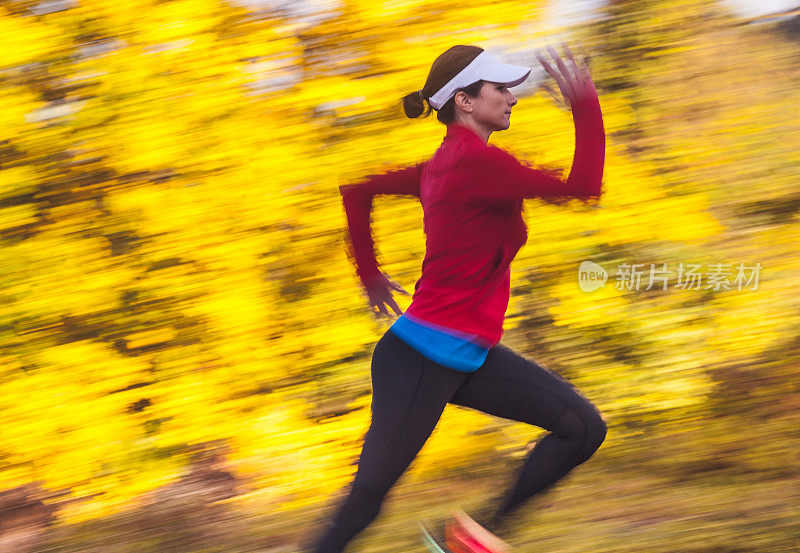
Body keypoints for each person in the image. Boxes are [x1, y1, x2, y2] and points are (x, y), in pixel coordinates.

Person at [308, 44, 607, 553]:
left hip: (468, 354)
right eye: (500, 89)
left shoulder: (443, 165)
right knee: (367, 500)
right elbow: (584, 188)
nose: (512, 98)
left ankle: (472, 541)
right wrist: (584, 103)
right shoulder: (476, 165)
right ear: (465, 102)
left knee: (581, 428)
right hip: (420, 358)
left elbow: (357, 191)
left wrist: (371, 275)